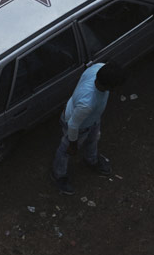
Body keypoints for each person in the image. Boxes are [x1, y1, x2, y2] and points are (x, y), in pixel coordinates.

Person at [52, 62, 122, 194]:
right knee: (65, 150)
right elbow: (73, 125)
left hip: (91, 120)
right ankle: (58, 175)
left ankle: (91, 159)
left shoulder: (98, 67)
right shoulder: (87, 103)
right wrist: (73, 144)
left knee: (93, 139)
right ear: (108, 87)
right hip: (79, 126)